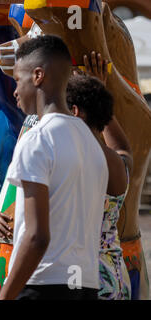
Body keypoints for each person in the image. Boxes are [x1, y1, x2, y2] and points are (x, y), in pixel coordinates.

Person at [0, 35, 108, 300]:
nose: (14, 91)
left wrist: (4, 297)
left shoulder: (37, 138)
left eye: (17, 80)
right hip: (87, 285)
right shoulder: (91, 142)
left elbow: (37, 237)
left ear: (37, 76)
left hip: (42, 284)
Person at [68, 52, 132, 300]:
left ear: (74, 112)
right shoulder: (116, 163)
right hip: (114, 277)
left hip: (79, 281)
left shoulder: (68, 162)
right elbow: (123, 147)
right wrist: (97, 94)